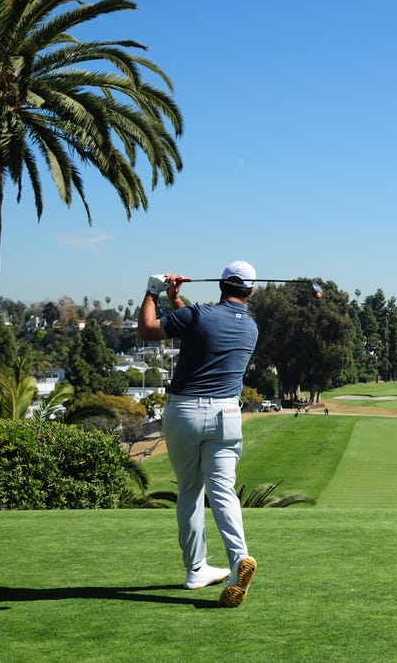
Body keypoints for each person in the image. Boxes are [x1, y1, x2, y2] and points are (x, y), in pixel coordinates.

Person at [137, 260, 259, 608]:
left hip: (186, 413)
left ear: (221, 285)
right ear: (251, 292)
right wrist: (176, 299)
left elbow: (147, 329)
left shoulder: (198, 315)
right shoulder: (251, 328)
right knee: (223, 491)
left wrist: (153, 290)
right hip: (228, 415)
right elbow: (198, 324)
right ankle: (238, 559)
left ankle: (196, 570)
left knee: (190, 491)